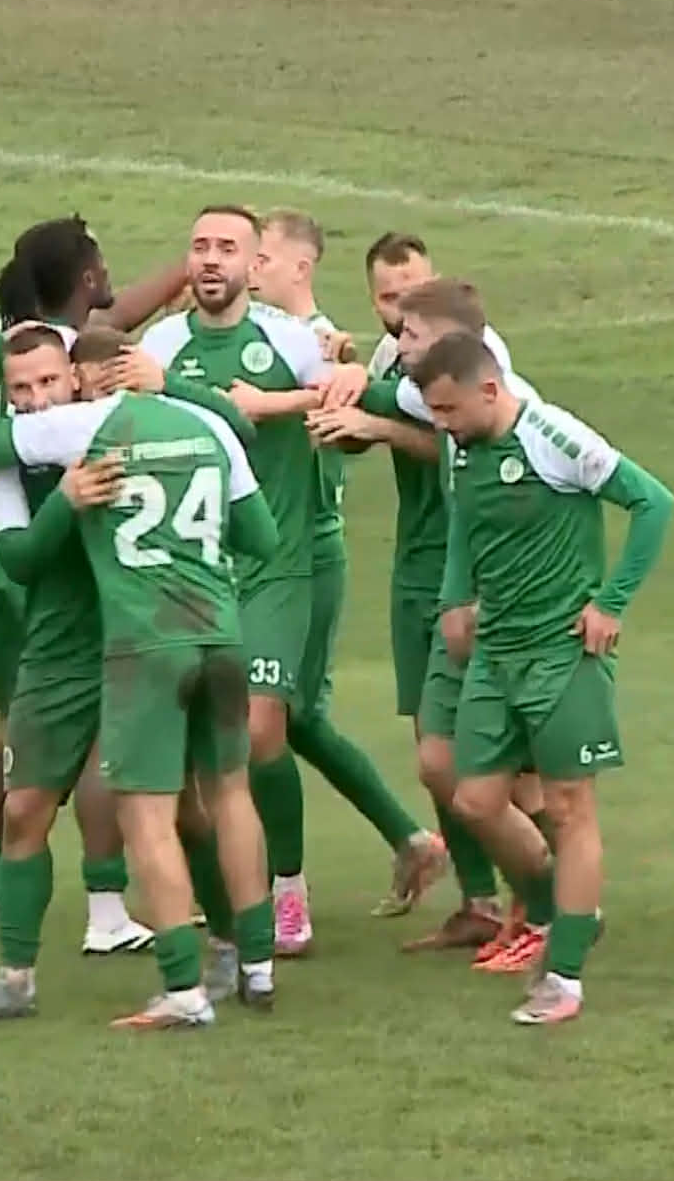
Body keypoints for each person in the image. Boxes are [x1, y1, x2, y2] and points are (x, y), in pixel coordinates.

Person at [137, 205, 447, 979]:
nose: (211, 259)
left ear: (256, 266)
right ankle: (229, 915)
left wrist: (323, 381)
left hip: (280, 561)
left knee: (266, 727)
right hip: (194, 570)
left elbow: (344, 393)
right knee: (205, 748)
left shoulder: (293, 339)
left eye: (229, 248)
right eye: (199, 246)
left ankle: (287, 894)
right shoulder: (161, 345)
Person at [0, 375, 286, 1027]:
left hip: (143, 644)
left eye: (51, 379)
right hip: (205, 636)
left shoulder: (90, 428)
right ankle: (257, 965)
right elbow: (261, 537)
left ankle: (188, 986)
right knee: (226, 794)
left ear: (83, 379)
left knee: (153, 816)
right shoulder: (203, 424)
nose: (39, 396)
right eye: (22, 385)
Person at [411, 331, 674, 1025]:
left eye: (448, 410)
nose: (441, 424)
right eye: (434, 412)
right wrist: (454, 599)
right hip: (494, 651)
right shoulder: (463, 448)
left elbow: (654, 503)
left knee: (567, 806)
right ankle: (567, 907)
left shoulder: (552, 436)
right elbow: (464, 524)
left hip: (562, 652)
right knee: (474, 801)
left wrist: (611, 603)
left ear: (489, 391)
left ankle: (564, 976)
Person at [0, 216, 184, 953]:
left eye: (48, 383)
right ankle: (104, 908)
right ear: (83, 276)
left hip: (16, 568)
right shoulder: (67, 381)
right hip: (55, 579)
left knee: (26, 732)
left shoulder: (21, 361)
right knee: (79, 741)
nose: (39, 394)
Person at [310, 269, 543, 959]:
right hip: (436, 580)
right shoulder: (417, 380)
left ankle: (548, 905)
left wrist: (369, 412)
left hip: (495, 595)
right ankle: (487, 903)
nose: (397, 340)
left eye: (410, 331)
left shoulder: (506, 403)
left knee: (511, 768)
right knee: (438, 754)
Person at [246, 208, 449, 946]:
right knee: (279, 718)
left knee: (278, 718)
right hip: (268, 556)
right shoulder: (315, 348)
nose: (249, 270)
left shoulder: (316, 350)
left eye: (261, 257)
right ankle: (409, 842)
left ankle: (283, 891)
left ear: (300, 266)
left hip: (305, 555)